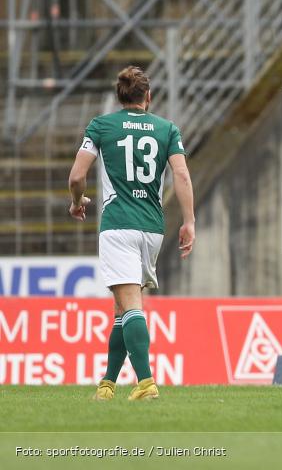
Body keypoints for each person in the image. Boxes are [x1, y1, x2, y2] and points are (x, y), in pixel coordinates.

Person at [68, 66, 195, 401]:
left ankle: (146, 382)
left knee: (132, 305)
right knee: (122, 310)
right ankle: (107, 386)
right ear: (148, 97)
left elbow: (77, 175)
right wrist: (189, 221)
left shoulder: (101, 126)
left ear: (119, 97)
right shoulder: (167, 129)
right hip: (152, 229)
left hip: (118, 225)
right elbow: (181, 176)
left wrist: (77, 200)